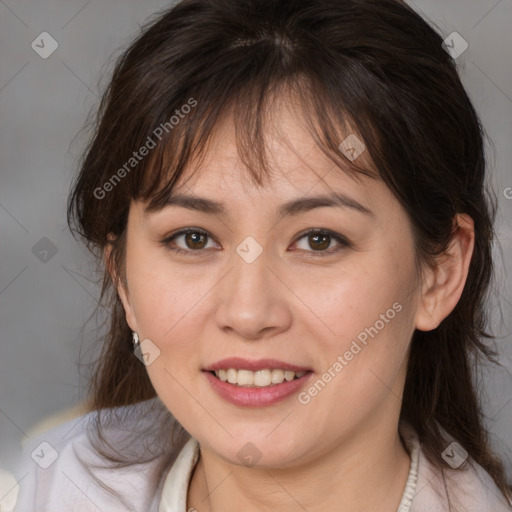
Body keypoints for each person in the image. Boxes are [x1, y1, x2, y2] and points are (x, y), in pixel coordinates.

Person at [12, 0, 512, 510]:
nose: (248, 313)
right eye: (193, 238)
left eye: (319, 239)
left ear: (440, 274)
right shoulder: (47, 484)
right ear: (121, 276)